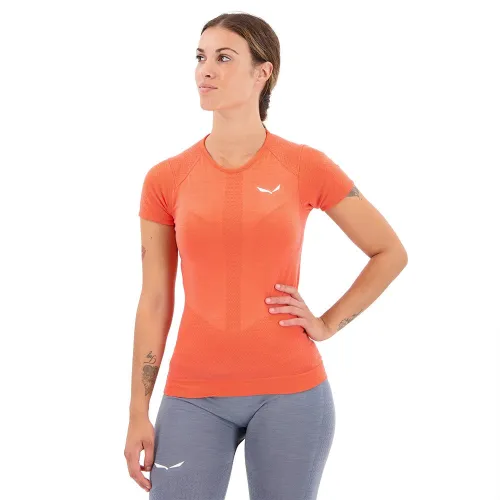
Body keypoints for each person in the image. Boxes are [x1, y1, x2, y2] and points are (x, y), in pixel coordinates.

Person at [124, 12, 408, 500]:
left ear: (263, 71)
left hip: (292, 394)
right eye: (200, 57)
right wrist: (137, 411)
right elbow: (154, 300)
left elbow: (389, 252)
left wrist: (327, 323)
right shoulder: (165, 179)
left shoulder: (306, 165)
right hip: (194, 395)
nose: (205, 69)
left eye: (224, 58)